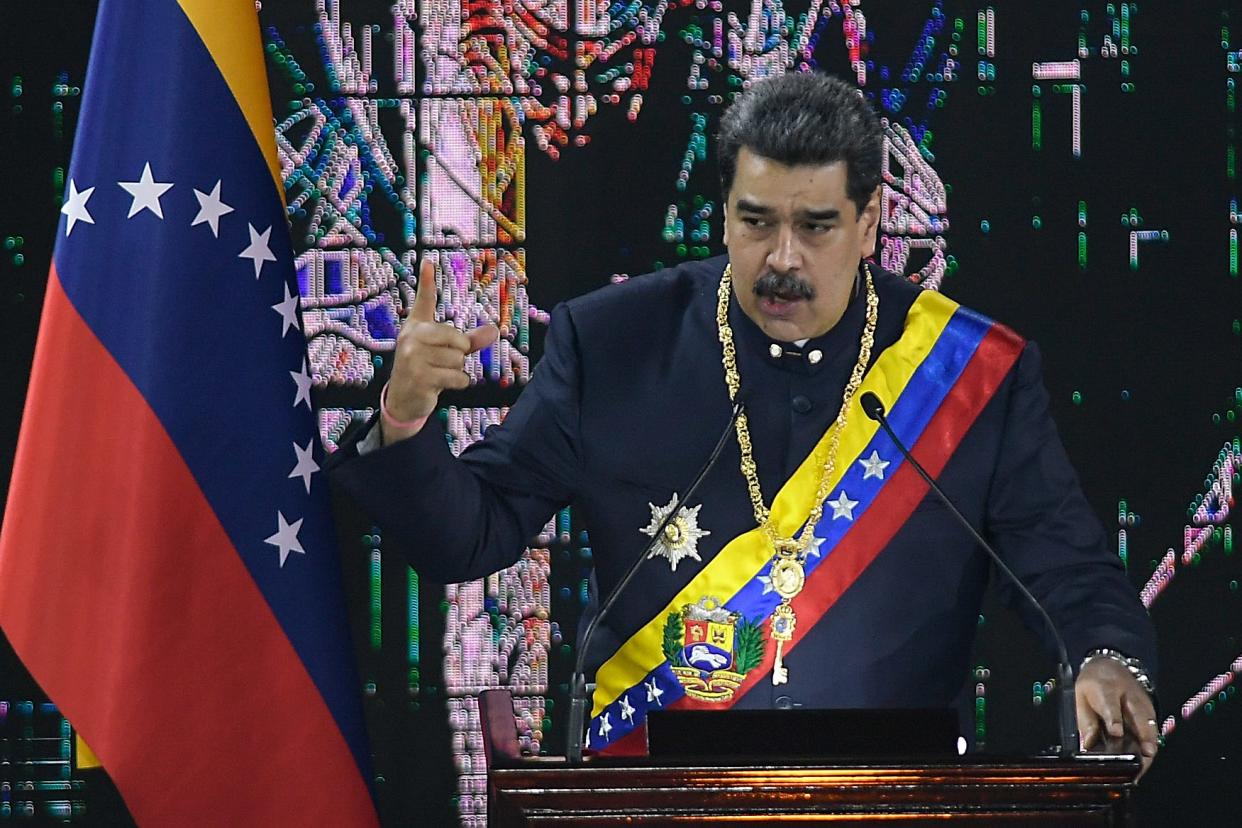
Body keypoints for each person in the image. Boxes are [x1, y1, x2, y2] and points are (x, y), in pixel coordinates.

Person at [330, 71, 1159, 773]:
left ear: (870, 222)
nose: (783, 259)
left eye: (816, 226)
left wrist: (1107, 661)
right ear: (723, 212)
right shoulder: (611, 343)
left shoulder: (966, 374)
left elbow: (1069, 572)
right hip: (656, 802)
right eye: (756, 221)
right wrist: (404, 419)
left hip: (892, 800)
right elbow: (469, 538)